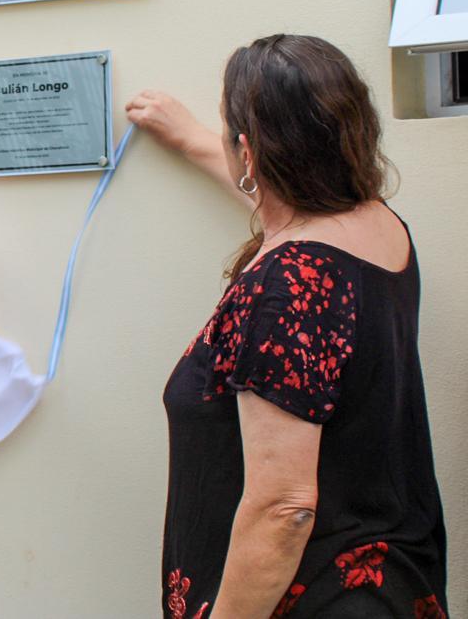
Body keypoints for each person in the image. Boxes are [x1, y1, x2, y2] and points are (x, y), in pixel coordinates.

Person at [126, 34, 448, 618]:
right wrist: (198, 141)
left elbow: (284, 509)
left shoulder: (286, 287)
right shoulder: (379, 227)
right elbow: (291, 207)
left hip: (308, 601)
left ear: (249, 153)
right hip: (389, 587)